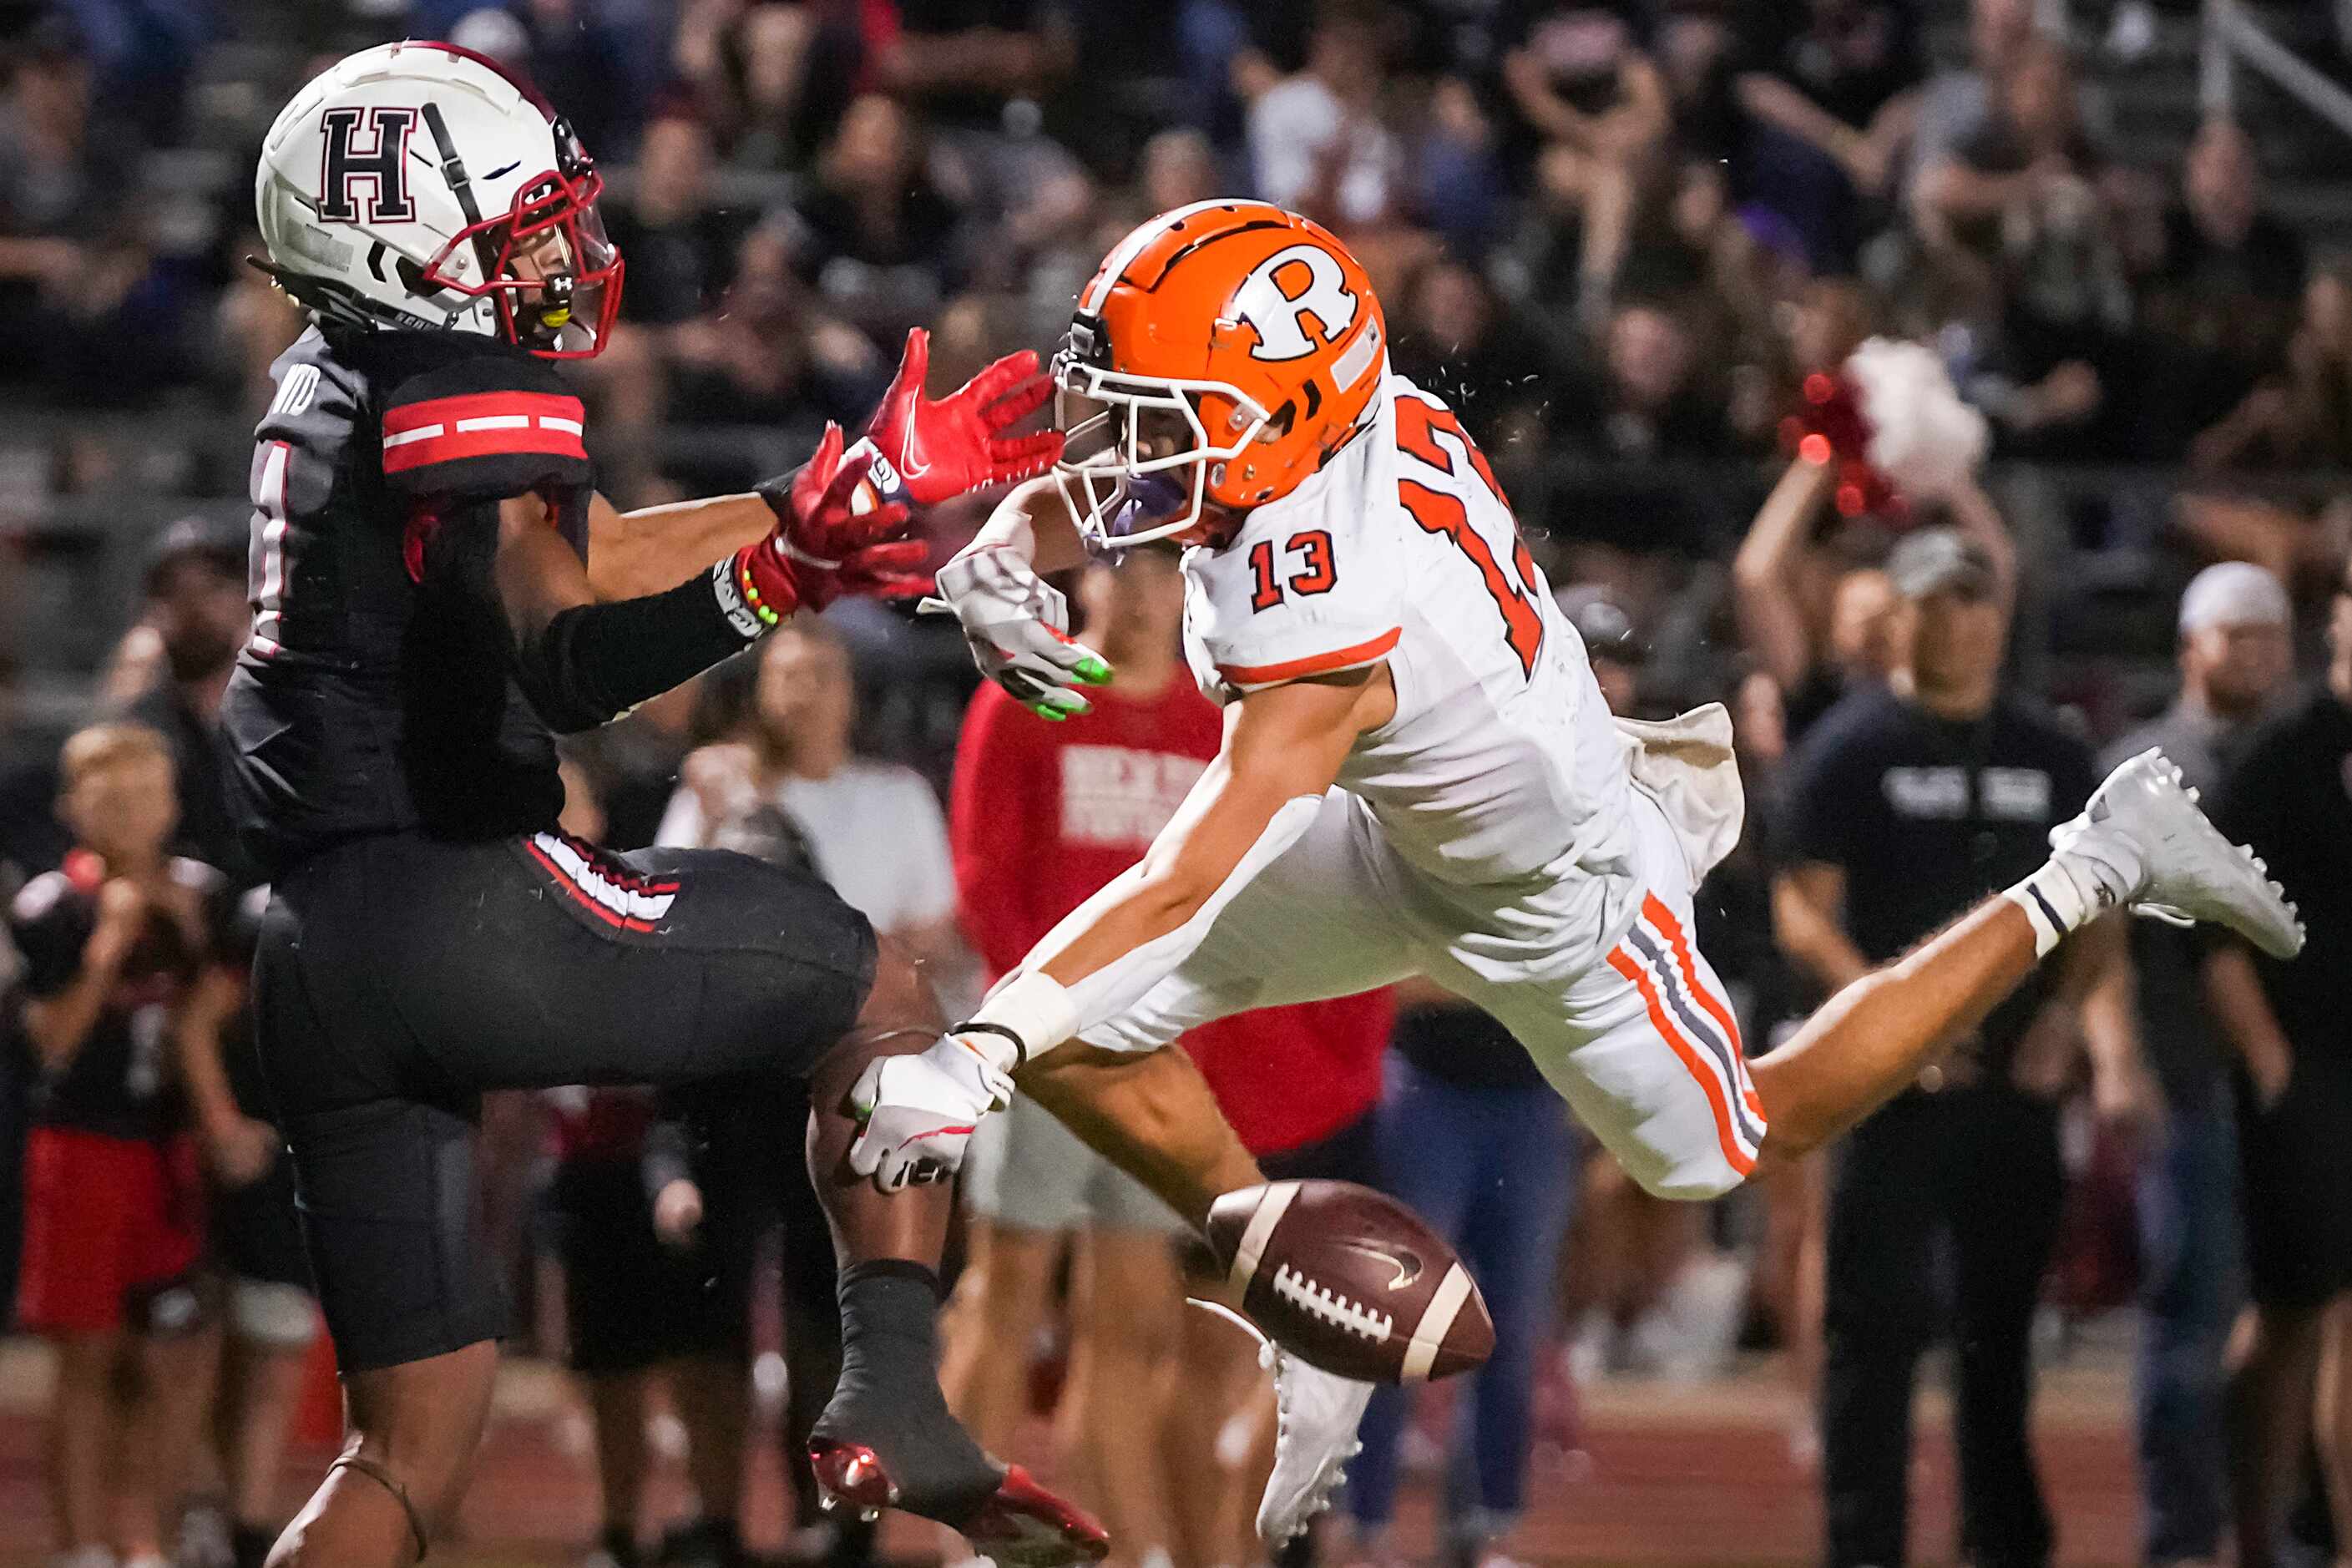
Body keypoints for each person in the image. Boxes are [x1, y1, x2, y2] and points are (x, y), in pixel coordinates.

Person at [844, 200, 2306, 1549]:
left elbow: (1180, 873)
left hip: (1555, 897)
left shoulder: (1327, 612)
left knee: (1729, 1137)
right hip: (1407, 825)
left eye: (1159, 425)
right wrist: (1008, 530)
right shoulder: (1349, 412)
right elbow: (1126, 440)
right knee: (1082, 1027)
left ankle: (2100, 851)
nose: (1114, 452)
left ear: (1272, 421)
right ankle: (1294, 1285)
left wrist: (969, 1052)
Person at [228, 43, 1093, 1568]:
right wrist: (773, 583)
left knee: (409, 1452)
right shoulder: (464, 368)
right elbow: (566, 653)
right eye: (520, 229)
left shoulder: (335, 368)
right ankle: (897, 1387)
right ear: (405, 241)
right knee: (880, 990)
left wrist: (828, 509)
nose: (565, 252)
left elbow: (594, 546)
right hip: (450, 900)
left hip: (315, 947)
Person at [1773, 526, 2137, 1568]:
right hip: (1891, 1091)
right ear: (1901, 616)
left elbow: (2102, 911)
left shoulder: (2054, 753)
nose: (1960, 623)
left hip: (2013, 1087)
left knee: (2002, 1337)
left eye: (1976, 602)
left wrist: (2072, 1020)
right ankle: (1865, 1546)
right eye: (1936, 602)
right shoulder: (1851, 748)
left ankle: (2007, 1541)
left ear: (2001, 615)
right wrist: (1890, 1032)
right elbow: (1803, 917)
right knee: (1874, 1336)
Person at [656, 615, 965, 1568]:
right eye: (786, 673)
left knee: (831, 1310)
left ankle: (834, 1514)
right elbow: (663, 908)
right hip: (739, 1081)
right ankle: (716, 1515)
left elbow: (937, 937)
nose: (803, 691)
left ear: (854, 688)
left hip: (863, 1087)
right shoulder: (718, 787)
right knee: (710, 1300)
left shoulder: (898, 795)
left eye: (822, 672)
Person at [2098, 561, 2293, 1568]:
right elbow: (2104, 939)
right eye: (2237, 634)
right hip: (2189, 1074)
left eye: (2273, 634)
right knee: (2193, 1310)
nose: (2258, 652)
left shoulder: (2306, 757)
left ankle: (2283, 1528)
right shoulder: (2145, 767)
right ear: (2191, 644)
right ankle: (2181, 1534)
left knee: (2299, 1310)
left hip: (2298, 1084)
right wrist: (2116, 1057)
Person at [8, 723, 225, 1568]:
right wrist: (107, 945)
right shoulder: (50, 906)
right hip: (84, 1145)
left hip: (170, 1152)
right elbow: (48, 1046)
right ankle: (82, 1546)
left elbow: (223, 1013)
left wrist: (186, 936)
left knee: (175, 1360)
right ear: (73, 809)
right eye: (112, 796)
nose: (133, 813)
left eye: (148, 794)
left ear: (173, 803)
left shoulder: (202, 893)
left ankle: (152, 1542)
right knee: (87, 1359)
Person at [2208, 552, 2352, 1568]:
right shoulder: (2286, 755)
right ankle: (2255, 1532)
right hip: (2313, 1078)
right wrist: (2274, 1068)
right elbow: (2207, 928)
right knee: (2296, 1316)